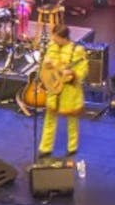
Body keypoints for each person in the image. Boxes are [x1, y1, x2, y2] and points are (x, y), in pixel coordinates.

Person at [35, 22, 87, 164]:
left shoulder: (77, 50)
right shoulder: (51, 46)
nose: (53, 39)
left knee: (72, 120)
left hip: (69, 91)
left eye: (55, 36)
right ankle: (45, 147)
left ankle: (72, 146)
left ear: (62, 37)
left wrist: (71, 73)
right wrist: (47, 65)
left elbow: (82, 71)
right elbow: (45, 63)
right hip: (54, 88)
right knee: (49, 119)